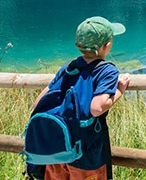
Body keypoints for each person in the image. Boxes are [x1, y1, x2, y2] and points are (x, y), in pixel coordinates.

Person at [31, 16, 131, 180]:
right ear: (107, 46)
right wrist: (119, 90)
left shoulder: (68, 67)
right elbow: (97, 108)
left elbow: (39, 103)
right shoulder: (106, 71)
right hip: (85, 155)